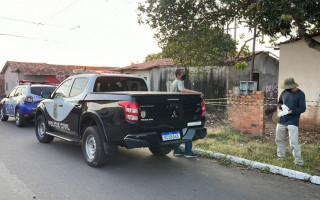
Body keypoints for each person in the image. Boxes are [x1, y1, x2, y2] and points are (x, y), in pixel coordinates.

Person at [170, 68, 204, 158]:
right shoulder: (179, 82)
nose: (184, 75)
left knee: (179, 129)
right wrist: (197, 93)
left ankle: (176, 150)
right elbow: (182, 90)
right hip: (181, 110)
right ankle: (188, 152)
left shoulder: (173, 82)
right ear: (178, 75)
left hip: (175, 110)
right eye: (182, 74)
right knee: (189, 127)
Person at [276, 77, 306, 166]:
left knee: (293, 142)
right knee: (279, 139)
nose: (286, 89)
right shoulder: (285, 92)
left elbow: (302, 108)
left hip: (293, 120)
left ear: (292, 86)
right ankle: (281, 157)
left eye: (287, 87)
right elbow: (279, 102)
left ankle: (299, 162)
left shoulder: (300, 94)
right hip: (282, 120)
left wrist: (290, 111)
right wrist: (282, 107)